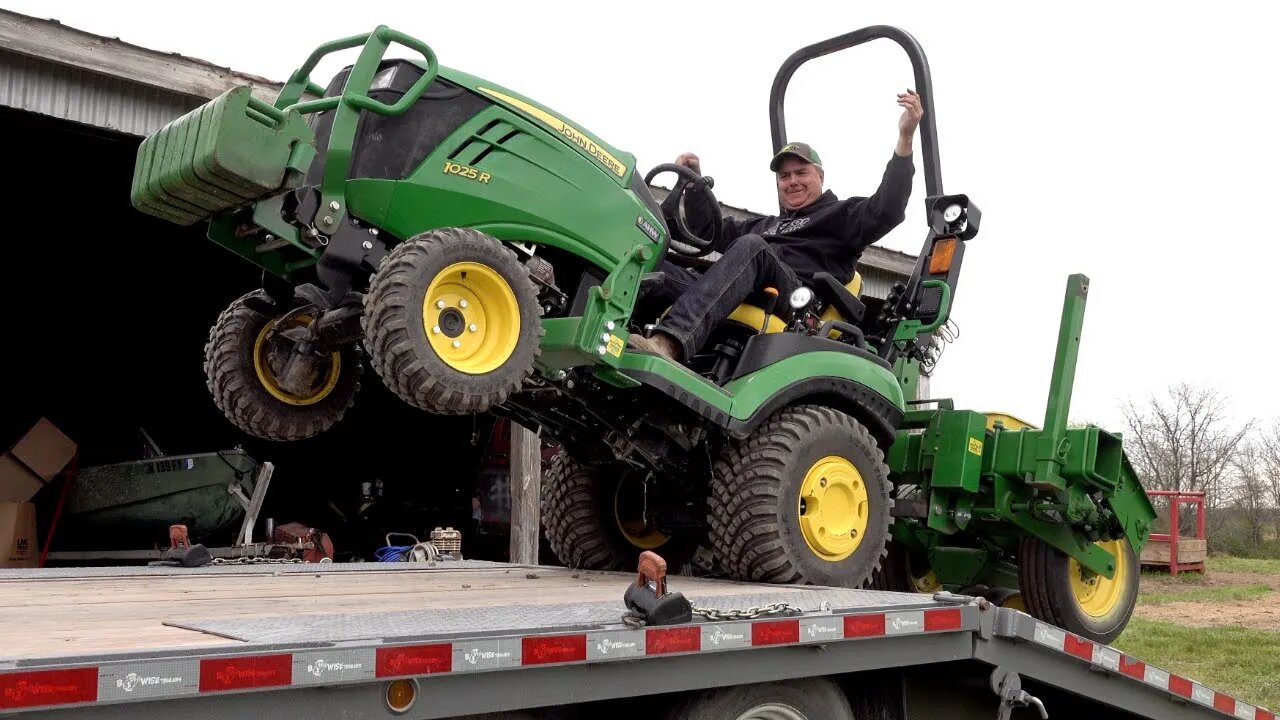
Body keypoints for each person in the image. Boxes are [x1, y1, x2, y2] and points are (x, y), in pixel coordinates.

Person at [627, 89, 924, 362]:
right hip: (742, 289)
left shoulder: (840, 215)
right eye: (784, 176)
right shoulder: (768, 225)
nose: (792, 181)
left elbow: (888, 209)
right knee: (649, 262)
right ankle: (607, 335)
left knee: (753, 249)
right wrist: (693, 187)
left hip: (795, 304)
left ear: (820, 176)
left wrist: (905, 139)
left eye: (801, 173)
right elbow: (709, 231)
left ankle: (669, 343)